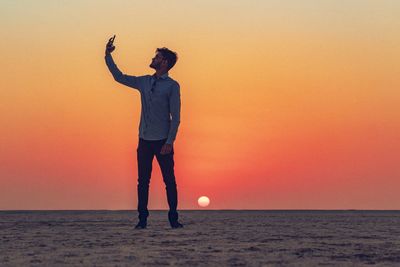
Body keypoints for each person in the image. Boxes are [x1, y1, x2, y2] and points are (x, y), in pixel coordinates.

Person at [104, 36, 183, 229]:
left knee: (169, 181)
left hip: (163, 140)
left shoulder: (172, 86)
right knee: (143, 182)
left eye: (156, 57)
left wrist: (170, 141)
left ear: (164, 62)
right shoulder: (144, 82)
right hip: (144, 140)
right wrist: (107, 55)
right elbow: (119, 77)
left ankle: (174, 219)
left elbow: (176, 116)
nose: (153, 59)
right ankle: (142, 220)